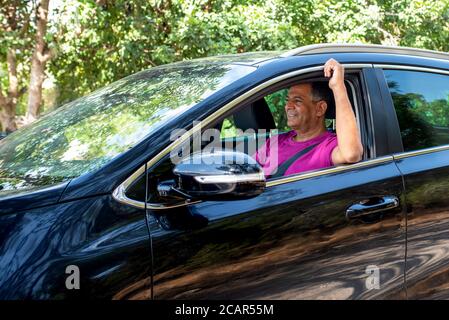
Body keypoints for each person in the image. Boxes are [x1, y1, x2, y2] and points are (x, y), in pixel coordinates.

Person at [254, 58, 363, 178]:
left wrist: (338, 86)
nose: (288, 106)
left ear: (320, 108)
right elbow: (248, 171)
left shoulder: (328, 146)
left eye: (297, 100)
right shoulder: (276, 141)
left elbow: (351, 154)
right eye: (287, 100)